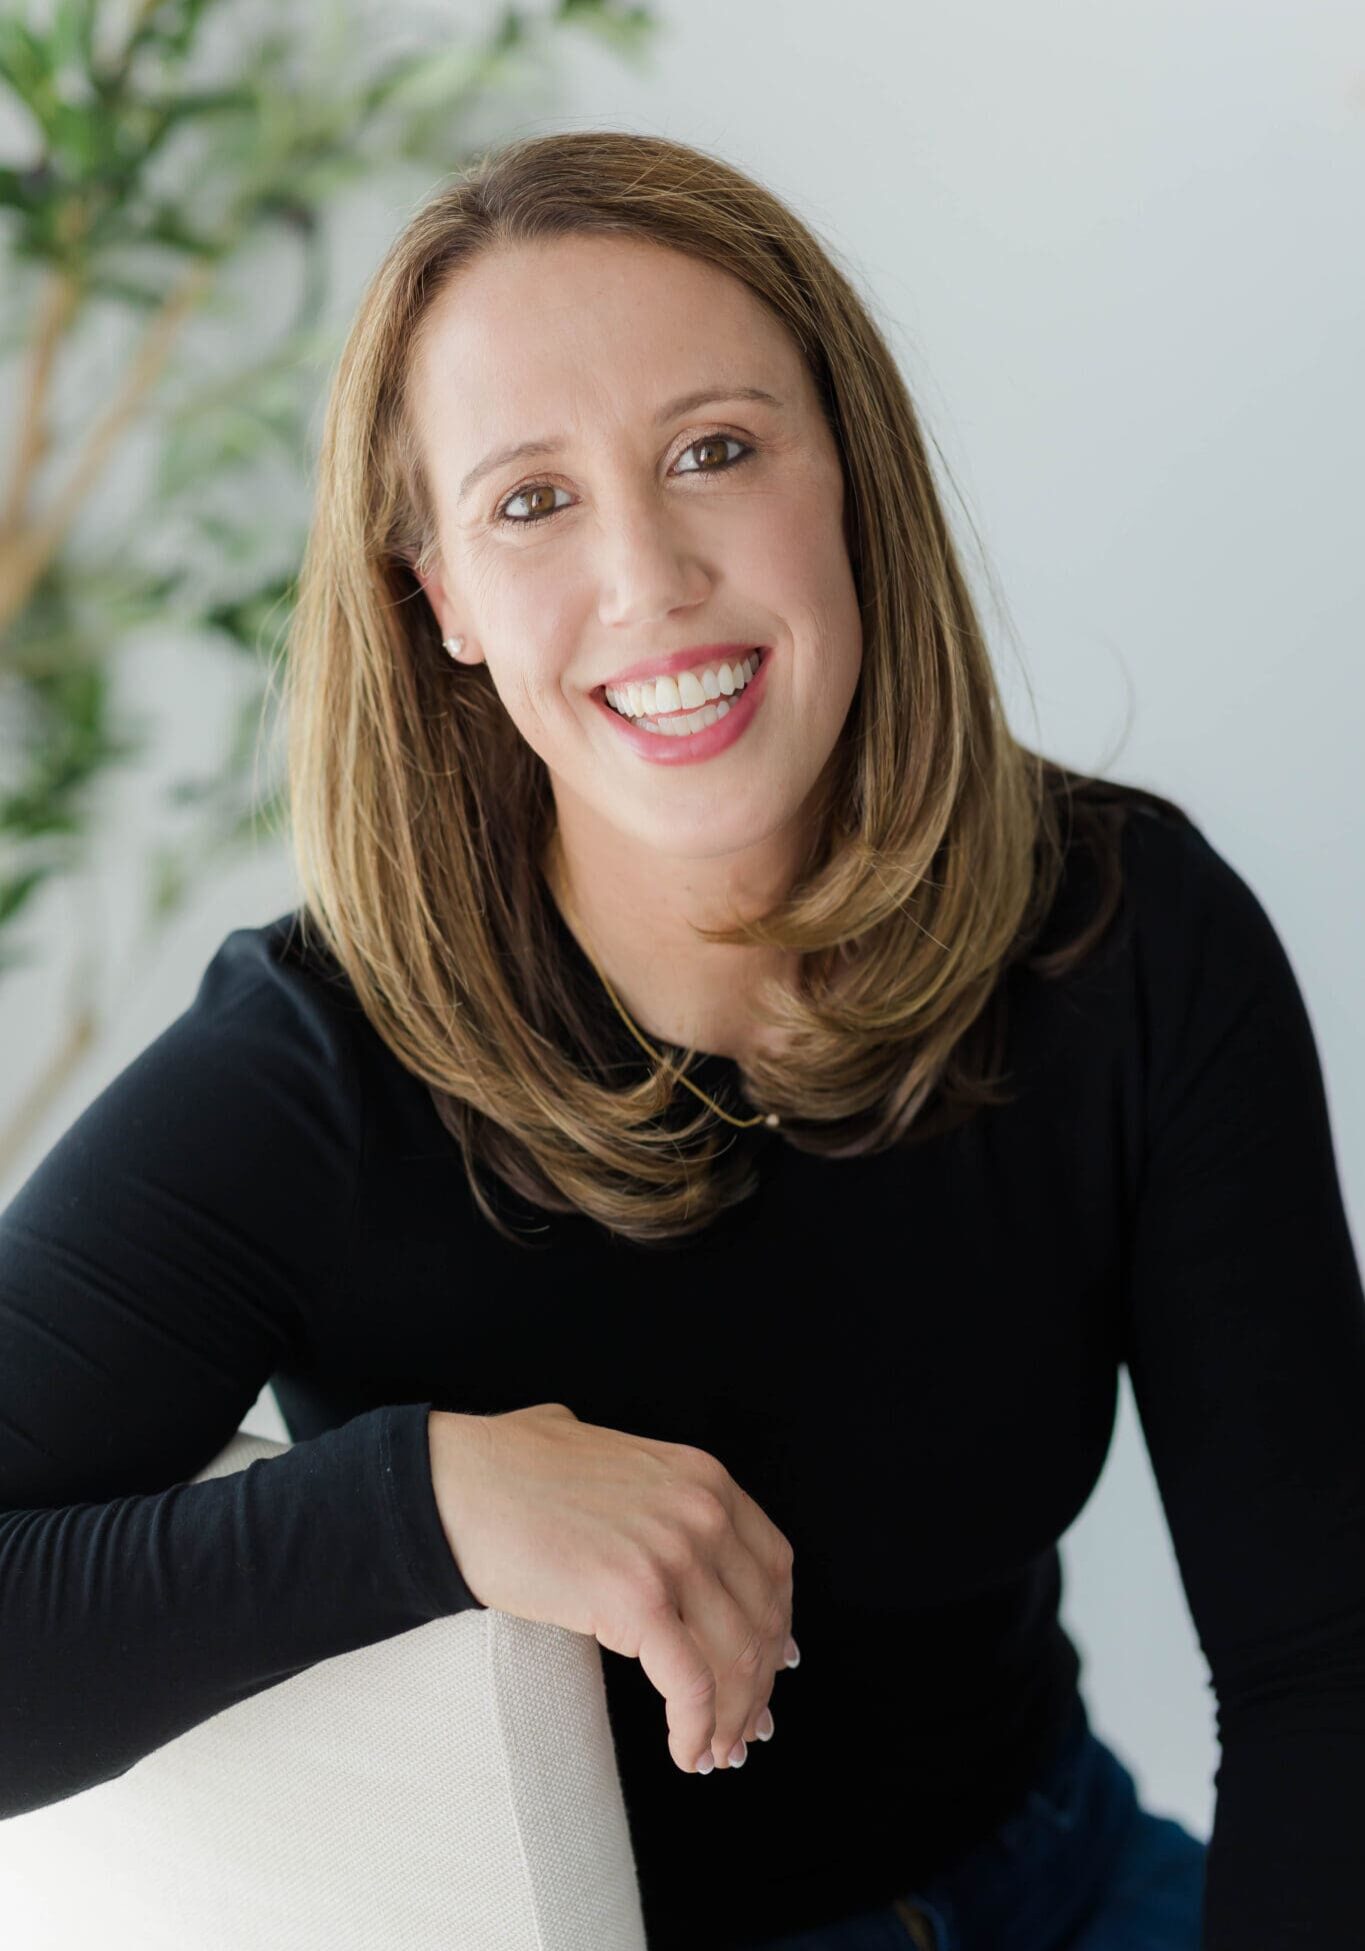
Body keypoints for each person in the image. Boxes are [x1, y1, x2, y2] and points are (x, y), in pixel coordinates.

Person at [2, 129, 1362, 1951]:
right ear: (439, 605)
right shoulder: (312, 1074)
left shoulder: (1124, 933)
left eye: (713, 451)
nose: (648, 578)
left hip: (1072, 1880)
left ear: (849, 487)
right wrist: (421, 1500)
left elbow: (1319, 1665)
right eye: (529, 502)